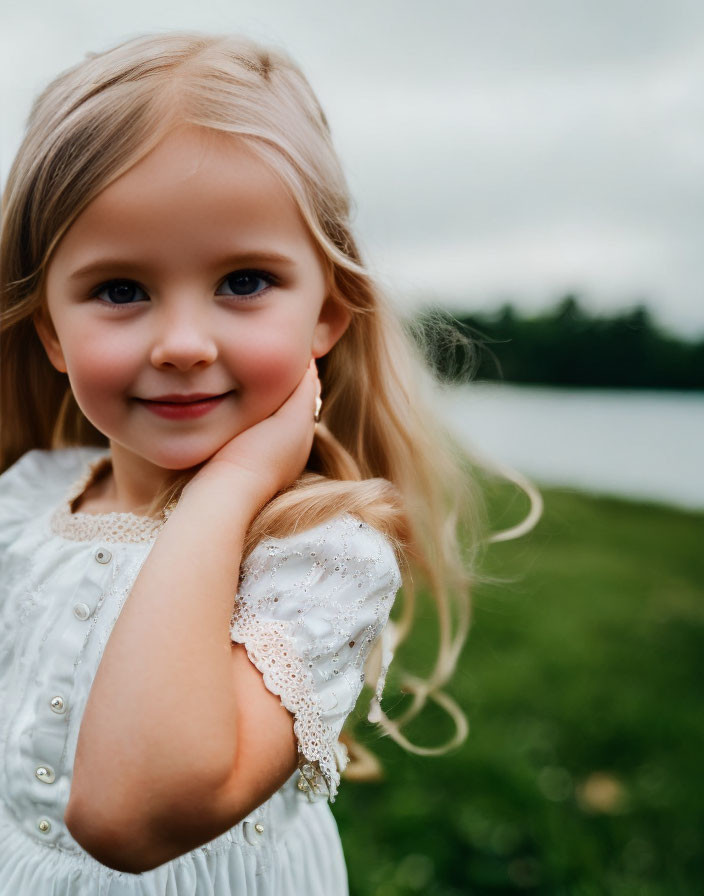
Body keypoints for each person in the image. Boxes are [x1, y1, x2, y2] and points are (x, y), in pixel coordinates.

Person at [0, 31, 517, 895]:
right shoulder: (27, 499)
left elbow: (134, 814)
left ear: (328, 312)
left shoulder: (318, 555)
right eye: (120, 290)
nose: (184, 344)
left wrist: (231, 491)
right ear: (52, 330)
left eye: (243, 281)